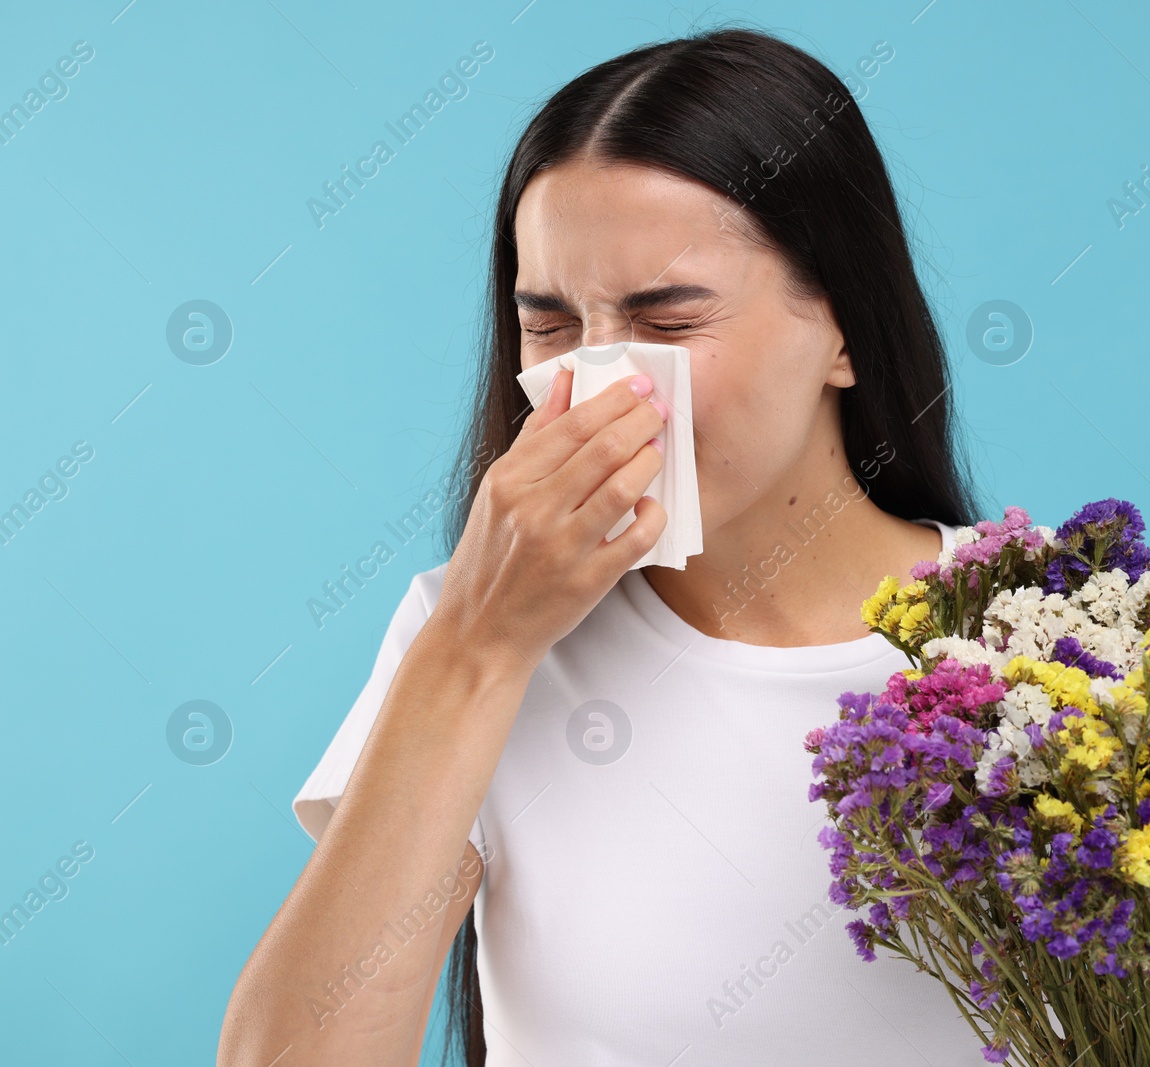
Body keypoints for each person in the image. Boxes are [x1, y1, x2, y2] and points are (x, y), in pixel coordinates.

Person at [219, 25, 988, 1066]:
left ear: (843, 328)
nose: (603, 384)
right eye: (549, 325)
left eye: (666, 321)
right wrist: (477, 646)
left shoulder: (1061, 646)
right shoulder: (465, 639)